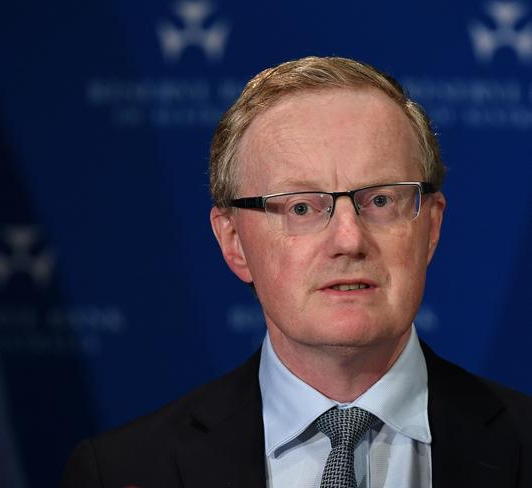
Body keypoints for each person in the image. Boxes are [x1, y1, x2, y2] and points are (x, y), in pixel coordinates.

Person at [62, 56, 532, 488]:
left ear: (430, 226)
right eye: (302, 207)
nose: (349, 240)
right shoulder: (122, 471)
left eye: (382, 200)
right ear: (233, 241)